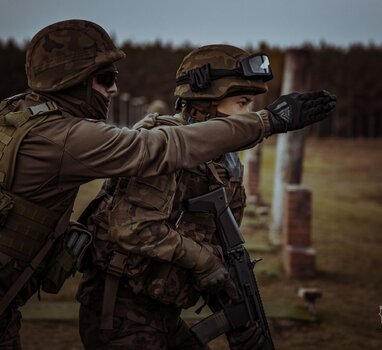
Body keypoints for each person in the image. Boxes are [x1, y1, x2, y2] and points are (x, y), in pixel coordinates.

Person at [0, 20, 301, 349]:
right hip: (126, 315)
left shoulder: (20, 118)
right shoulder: (60, 136)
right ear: (71, 81)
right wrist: (267, 121)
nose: (114, 89)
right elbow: (153, 163)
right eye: (106, 79)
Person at [76, 44, 336, 349]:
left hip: (163, 313)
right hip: (122, 314)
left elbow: (215, 245)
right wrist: (206, 262)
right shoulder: (164, 148)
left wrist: (237, 317)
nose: (249, 113)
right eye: (242, 102)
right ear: (205, 101)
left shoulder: (223, 161)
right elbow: (132, 228)